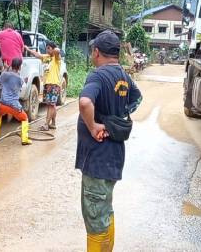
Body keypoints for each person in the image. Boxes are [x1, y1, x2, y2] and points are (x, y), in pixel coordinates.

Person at [77, 30, 142, 251]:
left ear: (97, 52)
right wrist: (118, 118)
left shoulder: (97, 75)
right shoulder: (124, 75)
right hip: (113, 157)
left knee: (95, 218)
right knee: (105, 209)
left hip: (97, 158)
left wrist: (94, 126)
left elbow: (85, 102)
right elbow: (137, 98)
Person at [0, 57, 32, 145]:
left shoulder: (5, 75)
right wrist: (25, 80)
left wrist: (6, 68)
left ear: (12, 65)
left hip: (2, 103)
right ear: (20, 67)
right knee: (25, 118)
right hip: (13, 106)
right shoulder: (20, 78)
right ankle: (24, 139)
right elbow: (22, 84)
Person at [25, 41, 62, 131]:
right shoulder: (47, 57)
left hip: (53, 84)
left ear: (52, 49)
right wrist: (28, 49)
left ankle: (46, 124)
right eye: (47, 48)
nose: (47, 50)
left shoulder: (56, 58)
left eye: (48, 48)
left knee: (51, 105)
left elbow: (57, 51)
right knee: (51, 105)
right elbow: (37, 55)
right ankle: (53, 123)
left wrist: (55, 49)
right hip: (48, 84)